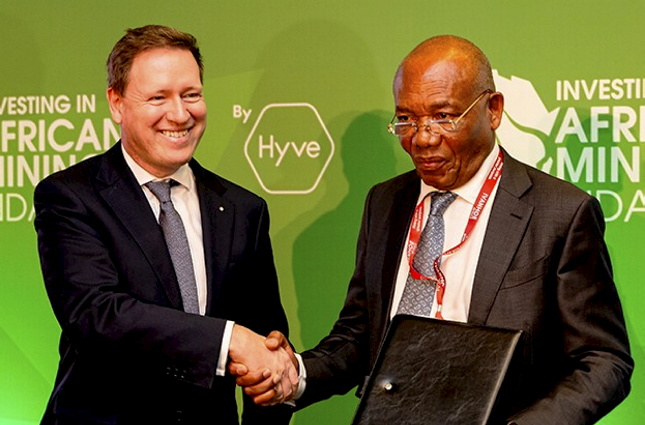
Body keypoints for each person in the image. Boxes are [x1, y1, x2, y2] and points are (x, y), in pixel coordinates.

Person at [234, 35, 634, 424]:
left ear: (493, 109)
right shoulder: (385, 202)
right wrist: (296, 375)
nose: (422, 138)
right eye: (407, 118)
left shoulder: (559, 213)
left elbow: (603, 361)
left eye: (444, 117)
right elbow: (360, 337)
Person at [34, 25, 297, 424]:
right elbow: (96, 314)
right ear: (117, 103)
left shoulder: (244, 209)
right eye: (158, 97)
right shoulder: (70, 197)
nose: (179, 113)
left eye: (190, 95)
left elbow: (268, 347)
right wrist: (230, 339)